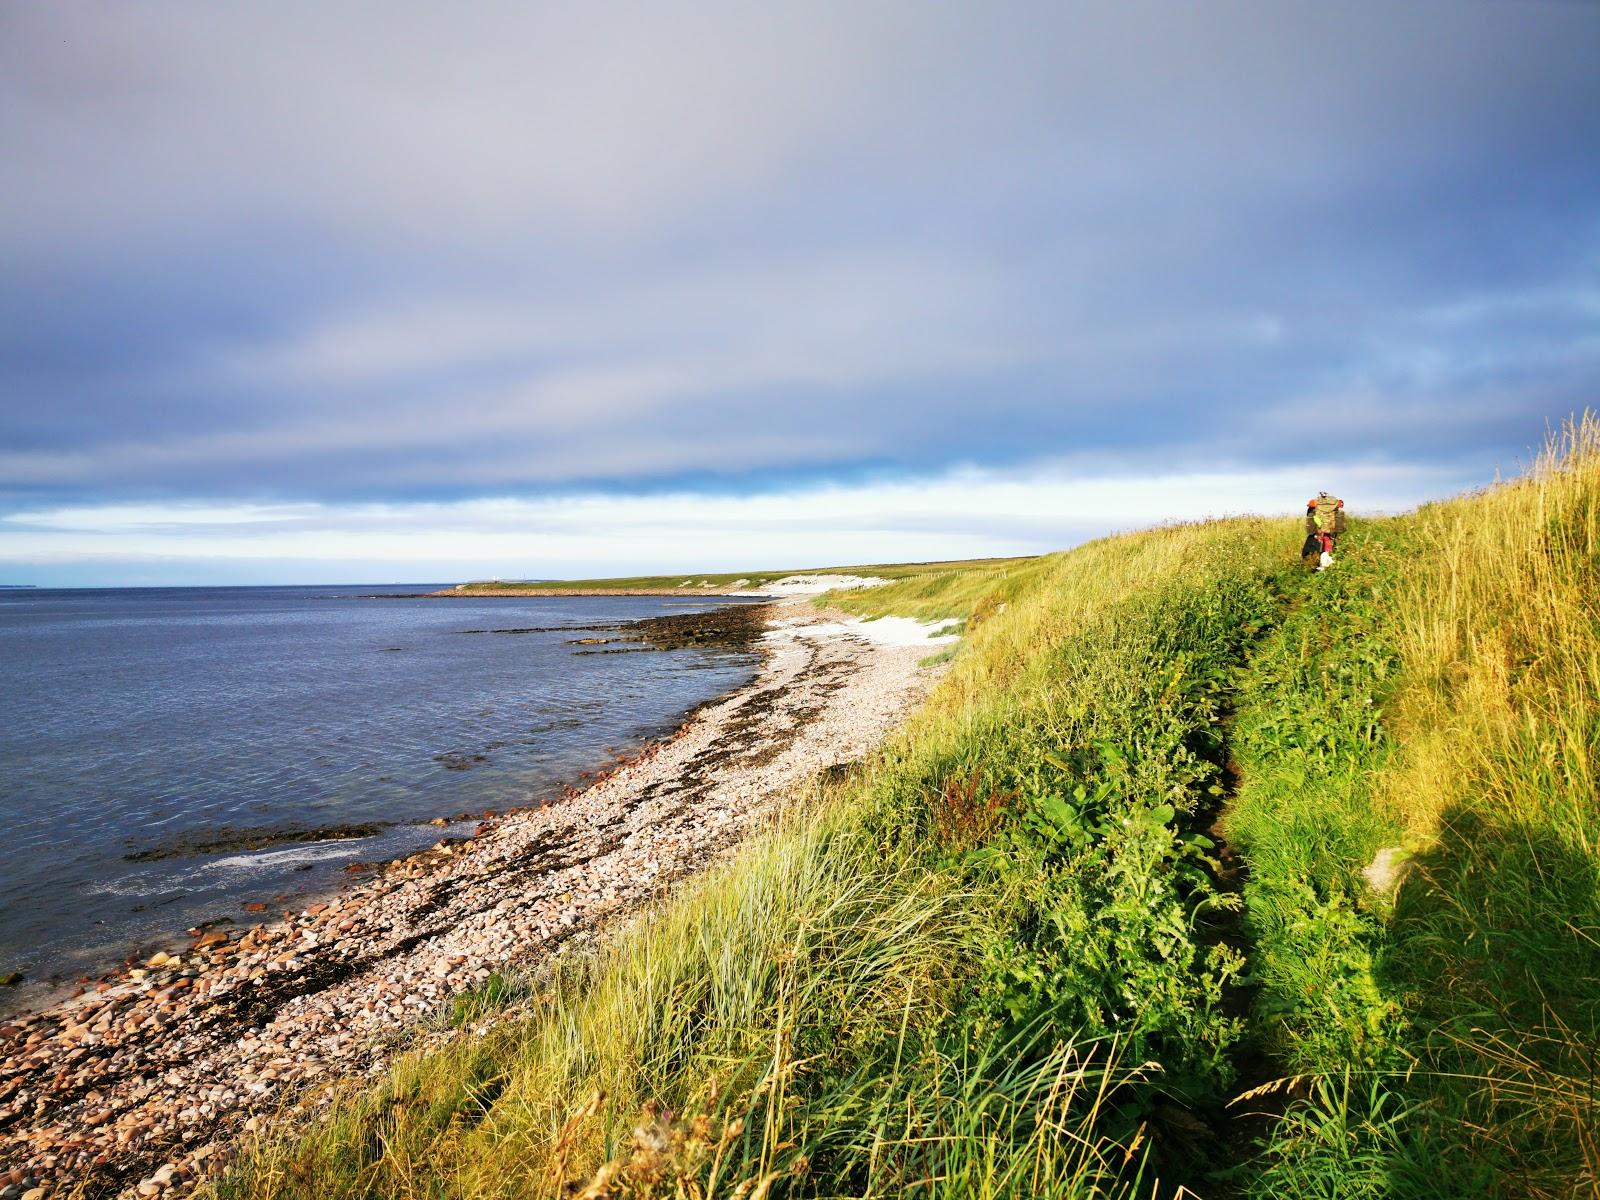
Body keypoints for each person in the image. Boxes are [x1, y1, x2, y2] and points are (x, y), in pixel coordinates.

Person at [1303, 491, 1345, 570]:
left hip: (1318, 529)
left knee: (1319, 545)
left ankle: (1323, 565)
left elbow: (1309, 514)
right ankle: (1328, 563)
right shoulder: (1335, 504)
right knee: (1329, 544)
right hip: (1331, 528)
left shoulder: (1314, 503)